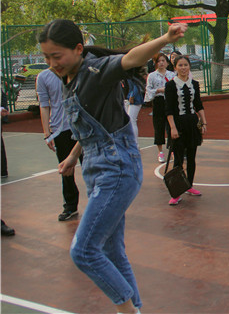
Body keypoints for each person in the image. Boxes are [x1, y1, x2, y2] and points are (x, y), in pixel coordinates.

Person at [39, 18, 187, 313]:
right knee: (111, 251)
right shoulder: (68, 78)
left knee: (83, 251)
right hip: (95, 168)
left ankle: (128, 311)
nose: (52, 64)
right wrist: (73, 156)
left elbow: (131, 59)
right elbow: (94, 125)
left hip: (117, 167)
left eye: (56, 56)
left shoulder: (95, 70)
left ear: (78, 49)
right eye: (46, 57)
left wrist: (165, 39)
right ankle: (135, 309)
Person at [36, 68, 81, 221]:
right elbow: (44, 105)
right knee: (66, 169)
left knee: (91, 166)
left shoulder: (77, 69)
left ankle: (98, 204)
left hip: (81, 125)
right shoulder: (43, 77)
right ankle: (70, 205)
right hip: (60, 129)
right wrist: (47, 133)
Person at [165, 55, 206, 205]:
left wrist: (203, 122)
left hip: (192, 123)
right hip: (178, 123)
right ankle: (176, 192)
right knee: (178, 159)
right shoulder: (170, 85)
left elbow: (198, 104)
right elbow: (168, 109)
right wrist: (173, 128)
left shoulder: (194, 84)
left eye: (186, 65)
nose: (183, 68)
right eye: (180, 65)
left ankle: (189, 185)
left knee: (191, 156)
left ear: (189, 66)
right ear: (175, 67)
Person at [145, 53, 175, 163]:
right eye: (159, 61)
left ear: (167, 62)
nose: (161, 63)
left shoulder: (172, 75)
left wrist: (168, 90)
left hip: (170, 102)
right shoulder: (152, 76)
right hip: (158, 102)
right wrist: (158, 90)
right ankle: (160, 151)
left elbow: (175, 88)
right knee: (159, 126)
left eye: (163, 60)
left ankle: (172, 149)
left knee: (172, 126)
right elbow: (148, 90)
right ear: (155, 63)